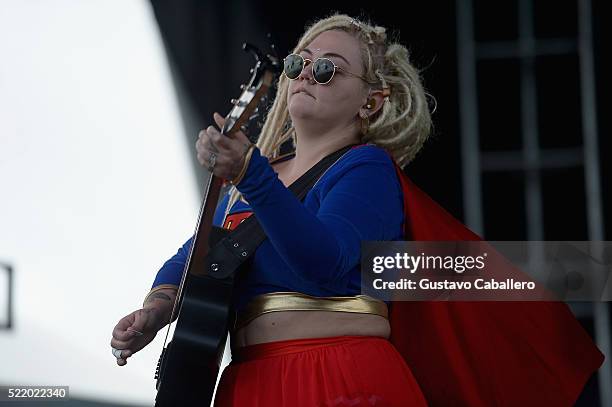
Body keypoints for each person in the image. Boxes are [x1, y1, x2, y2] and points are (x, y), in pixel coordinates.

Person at [111, 13, 603, 406]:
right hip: (249, 382)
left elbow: (326, 260)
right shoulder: (258, 177)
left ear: (371, 102)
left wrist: (249, 173)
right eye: (298, 65)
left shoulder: (364, 167)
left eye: (328, 68)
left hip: (335, 376)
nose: (307, 74)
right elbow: (196, 254)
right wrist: (157, 308)